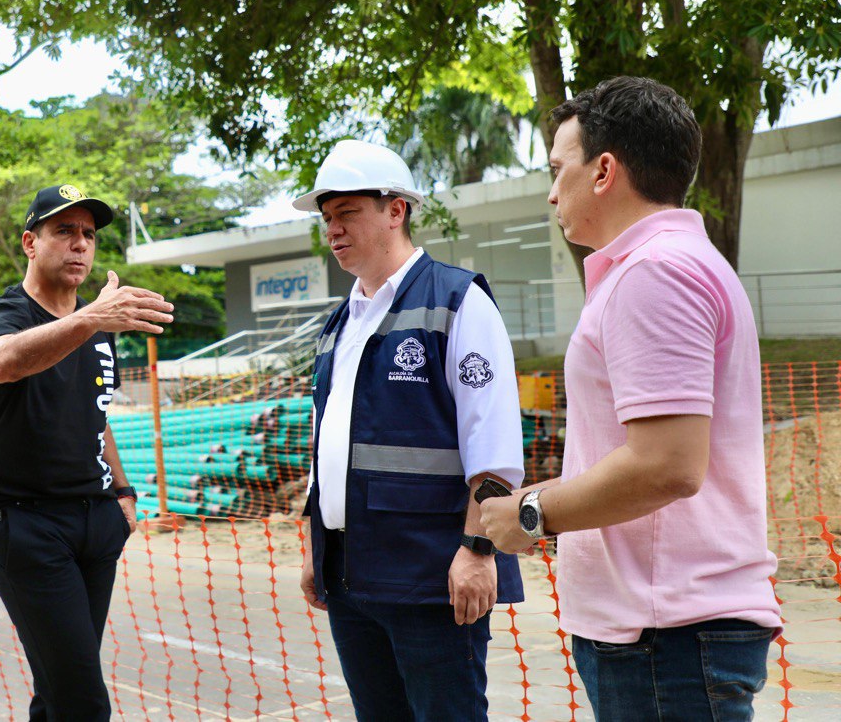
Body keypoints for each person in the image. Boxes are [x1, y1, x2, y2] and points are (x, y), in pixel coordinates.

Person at [480, 77, 781, 721]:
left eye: (560, 169)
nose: (552, 190)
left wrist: (529, 514)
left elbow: (664, 465)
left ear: (604, 170)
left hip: (666, 637)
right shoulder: (668, 264)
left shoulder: (655, 273)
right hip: (663, 633)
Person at [294, 140, 525, 721]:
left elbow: (492, 443)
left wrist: (478, 548)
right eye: (326, 219)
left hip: (433, 576)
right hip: (351, 575)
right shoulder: (339, 324)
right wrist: (314, 546)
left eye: (346, 213)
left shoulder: (458, 301)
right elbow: (327, 445)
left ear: (395, 209)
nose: (333, 231)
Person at [0, 184, 174, 722]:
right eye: (64, 230)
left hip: (94, 519)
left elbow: (95, 415)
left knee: (60, 684)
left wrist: (123, 494)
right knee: (82, 696)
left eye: (88, 234)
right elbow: (2, 364)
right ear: (30, 243)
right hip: (23, 521)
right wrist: (88, 321)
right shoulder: (7, 315)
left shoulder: (96, 323)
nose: (80, 243)